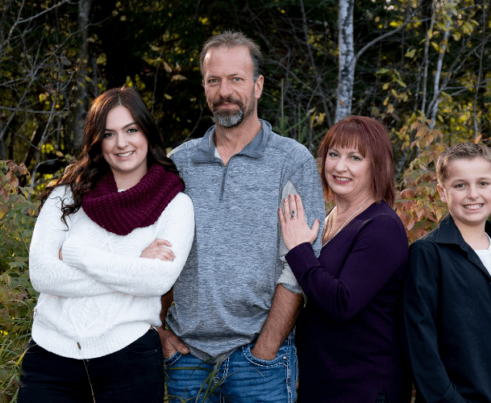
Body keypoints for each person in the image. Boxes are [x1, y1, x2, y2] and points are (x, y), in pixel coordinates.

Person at [158, 31, 325, 403]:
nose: (224, 91)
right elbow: (155, 252)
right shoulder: (179, 163)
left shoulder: (291, 162)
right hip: (186, 359)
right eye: (214, 80)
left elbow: (299, 264)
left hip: (259, 361)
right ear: (203, 87)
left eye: (236, 79)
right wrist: (158, 331)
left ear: (258, 85)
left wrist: (265, 349)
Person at [18, 87, 195, 403]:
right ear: (97, 141)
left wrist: (73, 254)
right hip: (49, 359)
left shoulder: (175, 204)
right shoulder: (67, 196)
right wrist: (133, 260)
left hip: (129, 358)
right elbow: (43, 275)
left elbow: (155, 279)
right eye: (109, 134)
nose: (122, 143)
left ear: (147, 133)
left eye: (131, 130)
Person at [278, 116, 413, 403]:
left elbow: (341, 303)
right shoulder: (328, 219)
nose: (340, 166)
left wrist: (299, 249)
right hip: (324, 382)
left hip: (362, 387)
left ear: (376, 165)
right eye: (334, 154)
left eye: (355, 157)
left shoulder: (382, 227)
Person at [403, 143, 491, 403]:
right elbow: (421, 347)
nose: (473, 194)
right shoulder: (427, 254)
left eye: (482, 183)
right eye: (460, 185)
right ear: (442, 192)